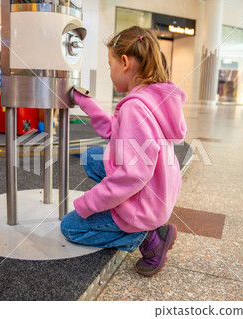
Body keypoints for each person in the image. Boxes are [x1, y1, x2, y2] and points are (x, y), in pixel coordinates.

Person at [60, 26, 187, 277]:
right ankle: (148, 224)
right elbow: (117, 132)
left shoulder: (135, 108)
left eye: (110, 65)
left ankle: (148, 237)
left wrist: (88, 203)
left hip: (145, 203)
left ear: (125, 63)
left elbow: (134, 174)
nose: (110, 72)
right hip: (160, 191)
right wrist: (87, 103)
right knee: (92, 157)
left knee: (70, 227)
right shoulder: (152, 96)